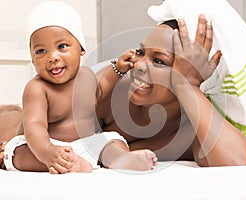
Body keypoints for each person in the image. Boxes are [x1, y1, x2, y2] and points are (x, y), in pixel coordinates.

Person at [0, 1, 157, 174]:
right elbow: (34, 126)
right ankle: (64, 164)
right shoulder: (36, 89)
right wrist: (47, 152)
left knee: (111, 139)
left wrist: (118, 69)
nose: (52, 57)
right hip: (43, 146)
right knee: (19, 154)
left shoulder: (86, 76)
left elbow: (100, 91)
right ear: (32, 58)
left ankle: (120, 158)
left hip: (83, 144)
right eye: (41, 51)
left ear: (81, 49)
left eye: (62, 47)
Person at [96, 14, 246, 166]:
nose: (137, 65)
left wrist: (187, 85)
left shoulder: (192, 128)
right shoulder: (112, 89)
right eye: (141, 52)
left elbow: (237, 161)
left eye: (159, 61)